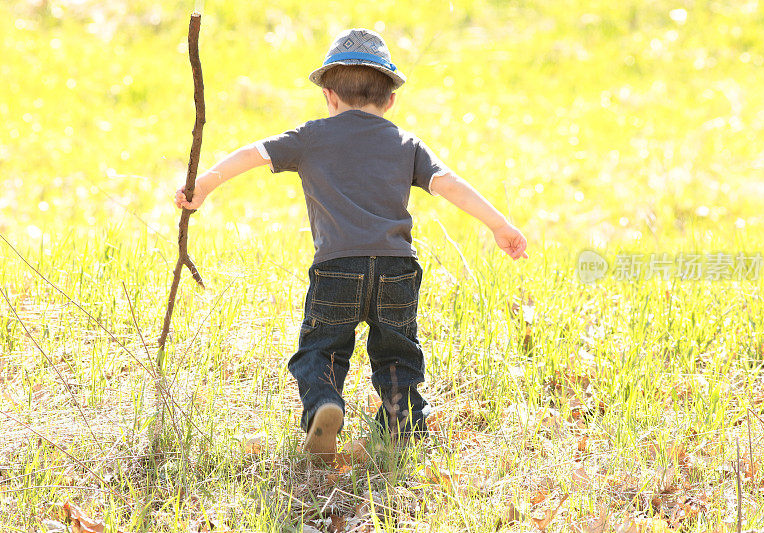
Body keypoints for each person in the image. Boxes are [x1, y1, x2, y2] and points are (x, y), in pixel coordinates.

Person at [174, 28, 528, 465]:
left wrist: (204, 184)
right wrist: (499, 224)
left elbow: (255, 153)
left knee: (321, 347)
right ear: (391, 100)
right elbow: (449, 183)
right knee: (397, 350)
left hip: (336, 267)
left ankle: (326, 404)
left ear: (329, 96)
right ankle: (402, 423)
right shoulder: (405, 143)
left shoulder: (311, 137)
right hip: (398, 269)